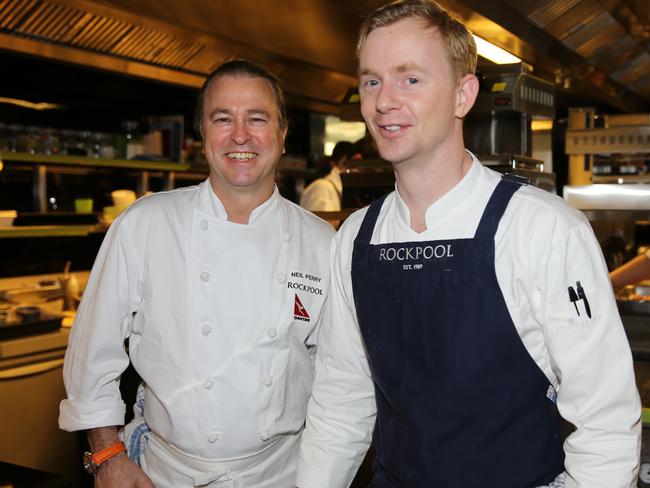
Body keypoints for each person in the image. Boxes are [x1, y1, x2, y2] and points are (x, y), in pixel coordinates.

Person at [295, 1, 641, 487]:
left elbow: (606, 424)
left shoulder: (541, 229)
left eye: (410, 78)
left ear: (464, 94)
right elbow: (340, 403)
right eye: (372, 80)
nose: (384, 101)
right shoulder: (355, 237)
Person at [59, 59, 334, 487]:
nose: (240, 135)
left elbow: (338, 379)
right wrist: (107, 454)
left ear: (282, 135)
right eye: (222, 119)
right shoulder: (146, 223)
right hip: (164, 475)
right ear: (202, 134)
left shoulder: (322, 242)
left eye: (257, 119)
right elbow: (93, 349)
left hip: (283, 474)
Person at [300, 141, 357, 213]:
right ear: (333, 164)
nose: (354, 170)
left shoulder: (344, 192)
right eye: (345, 164)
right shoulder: (322, 187)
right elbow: (319, 223)